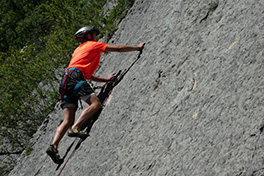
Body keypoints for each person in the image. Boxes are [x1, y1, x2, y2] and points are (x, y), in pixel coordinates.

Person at [46, 26, 145, 164]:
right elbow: (117, 48)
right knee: (96, 104)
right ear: (89, 36)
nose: (96, 37)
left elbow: (87, 75)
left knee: (67, 119)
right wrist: (136, 48)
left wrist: (106, 80)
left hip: (65, 81)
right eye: (94, 34)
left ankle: (54, 146)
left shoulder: (78, 51)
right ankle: (75, 128)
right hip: (75, 77)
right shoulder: (93, 45)